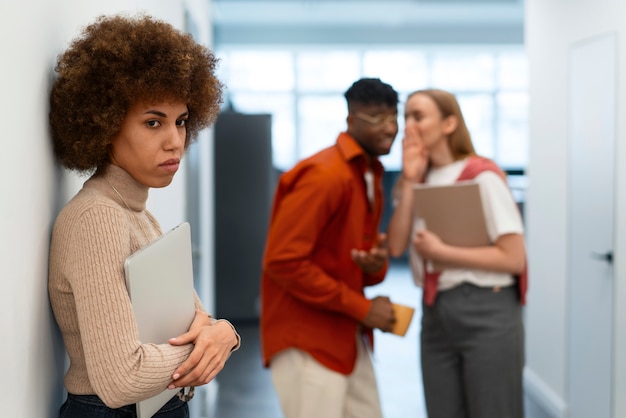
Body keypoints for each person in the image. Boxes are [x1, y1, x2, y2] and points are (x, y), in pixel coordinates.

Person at [48, 14, 240, 418]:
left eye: (181, 121)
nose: (175, 141)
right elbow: (122, 378)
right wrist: (212, 341)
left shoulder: (137, 214)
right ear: (106, 124)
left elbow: (197, 318)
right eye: (153, 122)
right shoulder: (97, 218)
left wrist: (225, 333)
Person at [260, 78, 399, 418]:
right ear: (351, 120)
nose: (391, 128)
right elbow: (283, 262)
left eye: (395, 117)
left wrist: (373, 266)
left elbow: (357, 264)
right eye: (378, 118)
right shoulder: (325, 176)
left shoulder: (369, 174)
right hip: (307, 337)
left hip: (345, 332)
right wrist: (363, 309)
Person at [386, 88, 527, 418]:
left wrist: (442, 253)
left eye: (418, 116)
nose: (408, 125)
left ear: (449, 124)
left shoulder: (483, 176)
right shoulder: (417, 180)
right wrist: (409, 179)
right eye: (405, 116)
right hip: (436, 312)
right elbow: (395, 245)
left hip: (487, 311)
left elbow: (513, 258)